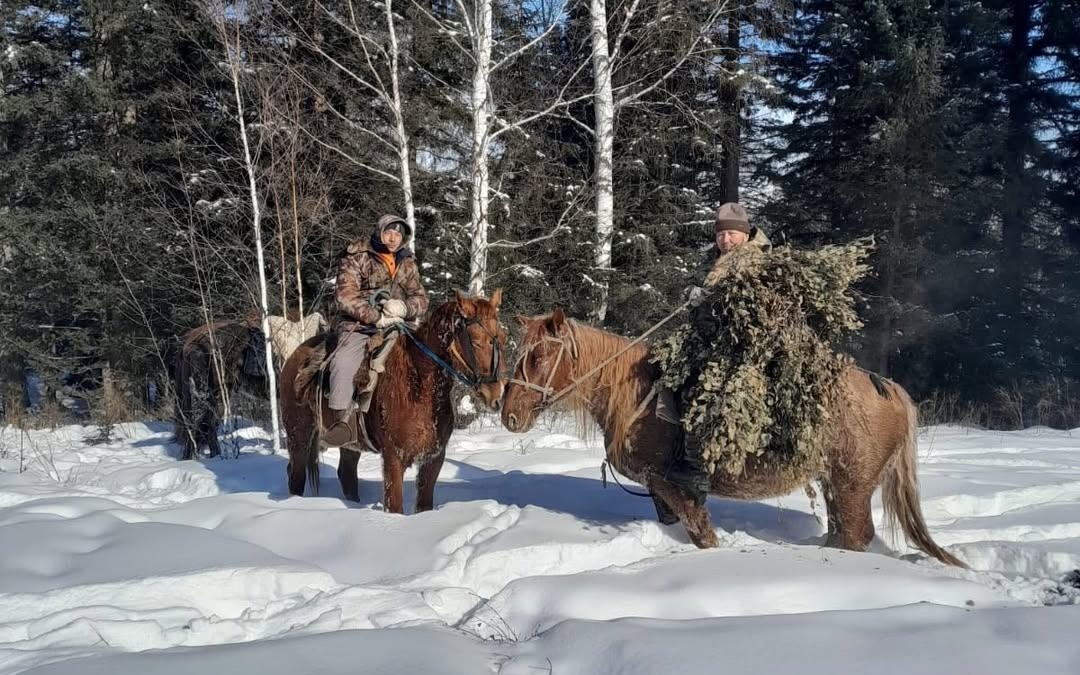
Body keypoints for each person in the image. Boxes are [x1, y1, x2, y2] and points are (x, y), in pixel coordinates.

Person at [668, 202, 771, 504]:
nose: (725, 240)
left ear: (744, 233)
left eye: (731, 234)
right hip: (711, 339)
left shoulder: (755, 259)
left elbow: (748, 307)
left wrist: (711, 301)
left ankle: (697, 472)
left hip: (742, 345)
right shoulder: (719, 259)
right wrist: (694, 297)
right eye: (721, 234)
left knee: (702, 390)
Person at [322, 214, 429, 446]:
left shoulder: (407, 261)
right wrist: (375, 317)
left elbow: (420, 297)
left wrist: (404, 307)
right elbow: (345, 295)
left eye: (398, 234)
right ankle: (342, 421)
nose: (393, 238)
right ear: (379, 232)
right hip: (359, 326)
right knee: (344, 361)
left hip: (400, 325)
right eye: (389, 232)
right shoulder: (358, 256)